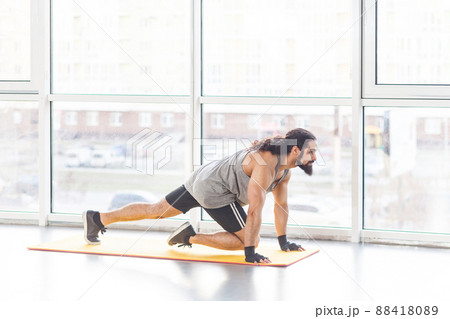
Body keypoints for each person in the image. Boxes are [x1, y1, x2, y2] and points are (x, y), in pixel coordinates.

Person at [83, 128, 317, 264]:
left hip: (203, 178)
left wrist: (283, 241)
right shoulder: (267, 163)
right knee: (251, 239)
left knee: (156, 210)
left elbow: (281, 206)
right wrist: (250, 253)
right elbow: (255, 209)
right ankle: (189, 237)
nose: (314, 157)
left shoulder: (284, 172)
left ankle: (97, 219)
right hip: (215, 190)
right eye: (311, 151)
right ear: (295, 150)